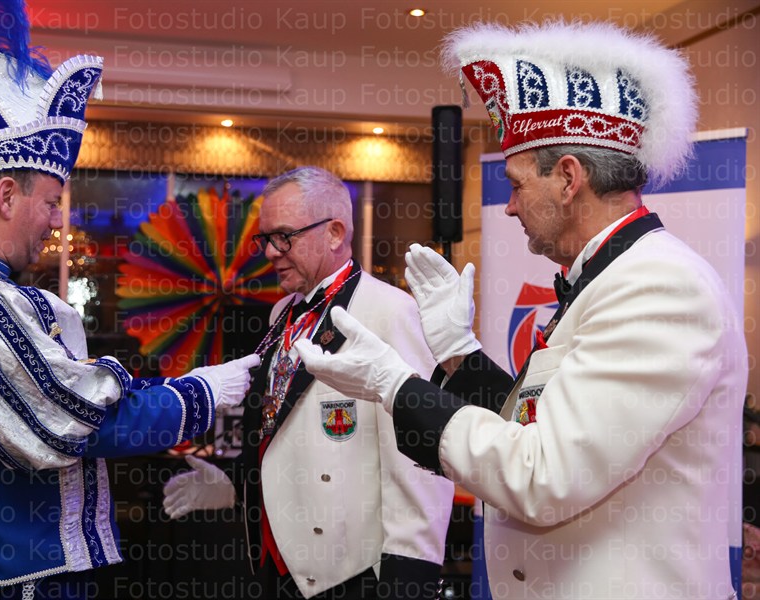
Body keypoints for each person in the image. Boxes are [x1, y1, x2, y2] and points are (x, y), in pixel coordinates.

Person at [295, 20, 749, 600]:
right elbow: (534, 425)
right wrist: (459, 353)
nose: (508, 207)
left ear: (568, 178)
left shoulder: (660, 286)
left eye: (516, 184)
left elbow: (543, 474)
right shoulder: (609, 276)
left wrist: (394, 385)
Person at [0, 8, 258, 599]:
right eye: (50, 202)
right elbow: (78, 419)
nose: (54, 222)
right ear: (6, 196)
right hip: (13, 586)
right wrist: (198, 396)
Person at [162, 166, 456, 599]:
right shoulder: (281, 312)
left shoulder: (391, 311)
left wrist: (409, 580)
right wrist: (235, 486)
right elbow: (284, 431)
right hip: (280, 564)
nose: (270, 252)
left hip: (356, 575)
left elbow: (419, 454)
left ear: (335, 233)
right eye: (266, 238)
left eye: (285, 236)